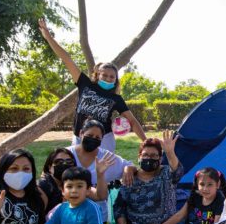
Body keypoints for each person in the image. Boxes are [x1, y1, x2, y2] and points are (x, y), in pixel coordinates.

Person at [38, 18, 146, 152]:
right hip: (79, 137)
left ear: (116, 80)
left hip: (103, 140)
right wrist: (48, 37)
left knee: (103, 171)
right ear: (97, 75)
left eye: (112, 77)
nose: (108, 78)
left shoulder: (116, 99)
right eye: (104, 75)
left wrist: (146, 142)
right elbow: (67, 59)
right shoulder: (85, 84)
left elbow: (133, 121)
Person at [108, 133, 184, 224]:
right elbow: (119, 206)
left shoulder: (165, 174)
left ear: (160, 159)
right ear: (139, 157)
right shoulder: (130, 177)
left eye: (154, 156)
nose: (149, 159)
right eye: (146, 155)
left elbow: (177, 172)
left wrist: (170, 152)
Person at [67, 119, 136, 221]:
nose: (93, 139)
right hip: (70, 216)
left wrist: (128, 168)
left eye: (97, 138)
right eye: (89, 136)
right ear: (81, 133)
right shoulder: (67, 154)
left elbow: (130, 166)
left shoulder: (106, 157)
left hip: (98, 218)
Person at [38, 148, 78, 213]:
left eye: (69, 162)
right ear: (49, 167)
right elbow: (38, 217)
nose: (64, 164)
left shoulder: (76, 182)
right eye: (59, 162)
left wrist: (99, 174)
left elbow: (98, 195)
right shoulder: (44, 186)